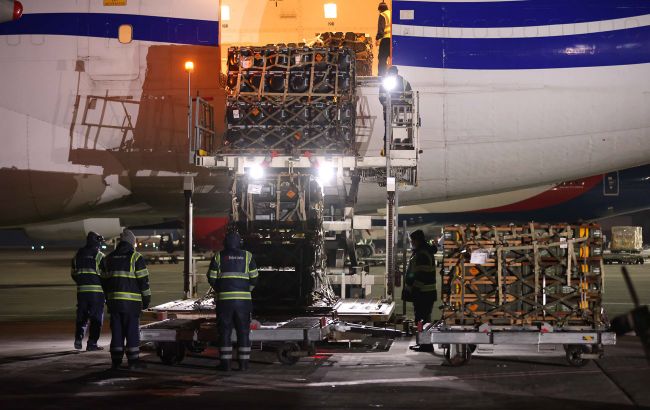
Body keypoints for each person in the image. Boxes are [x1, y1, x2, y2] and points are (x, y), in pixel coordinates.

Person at [207, 231, 258, 372]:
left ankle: (226, 365)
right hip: (243, 302)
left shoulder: (218, 256)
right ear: (240, 242)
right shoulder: (248, 256)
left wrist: (220, 290)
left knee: (224, 332)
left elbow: (211, 278)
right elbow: (254, 278)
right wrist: (247, 290)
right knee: (244, 332)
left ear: (225, 243)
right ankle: (243, 365)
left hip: (224, 301)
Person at [100, 229, 151, 370]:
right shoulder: (135, 257)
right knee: (131, 332)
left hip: (114, 303)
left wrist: (109, 298)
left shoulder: (108, 258)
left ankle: (116, 362)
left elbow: (103, 281)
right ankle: (133, 362)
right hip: (131, 304)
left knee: (117, 332)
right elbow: (143, 281)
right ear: (131, 242)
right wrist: (146, 300)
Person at [71, 231, 106, 351]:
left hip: (82, 292)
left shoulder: (78, 255)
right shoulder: (99, 255)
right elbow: (106, 274)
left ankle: (78, 339)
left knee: (82, 316)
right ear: (96, 241)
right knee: (96, 319)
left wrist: (82, 282)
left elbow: (73, 274)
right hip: (96, 293)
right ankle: (92, 343)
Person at [404, 230, 437, 325]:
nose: (411, 242)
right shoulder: (422, 251)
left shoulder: (422, 254)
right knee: (423, 317)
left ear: (417, 240)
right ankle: (422, 332)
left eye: (412, 240)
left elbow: (422, 275)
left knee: (421, 318)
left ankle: (422, 333)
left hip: (423, 294)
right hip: (425, 293)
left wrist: (415, 290)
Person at [380, 65, 412, 156]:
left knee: (401, 128)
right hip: (389, 109)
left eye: (393, 74)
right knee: (388, 129)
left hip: (401, 111)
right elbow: (381, 96)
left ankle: (404, 144)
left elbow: (410, 96)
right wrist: (387, 104)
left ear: (396, 73)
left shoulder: (403, 82)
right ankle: (387, 148)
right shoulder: (385, 82)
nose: (392, 76)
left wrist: (402, 102)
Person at [376, 1, 391, 76]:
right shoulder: (391, 13)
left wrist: (377, 38)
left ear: (380, 9)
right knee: (393, 58)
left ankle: (381, 75)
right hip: (393, 40)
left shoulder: (382, 15)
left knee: (382, 58)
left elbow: (381, 29)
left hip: (386, 40)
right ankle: (393, 74)